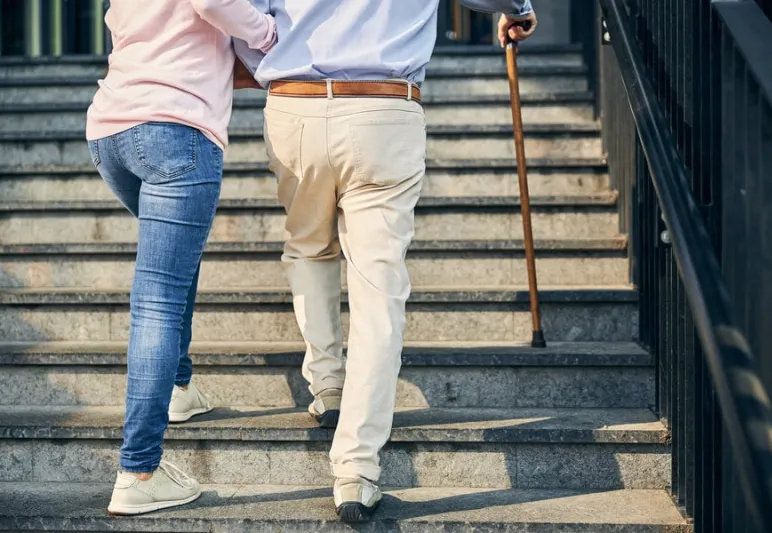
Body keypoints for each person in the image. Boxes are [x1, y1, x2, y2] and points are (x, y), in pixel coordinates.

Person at [234, 0, 536, 522]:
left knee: (308, 246)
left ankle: (327, 381)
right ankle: (355, 470)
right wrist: (516, 8)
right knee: (377, 290)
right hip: (384, 105)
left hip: (293, 104)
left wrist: (265, 57)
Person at [85, 0, 277, 516]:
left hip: (111, 132)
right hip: (176, 131)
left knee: (170, 271)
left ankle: (179, 387)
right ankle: (139, 471)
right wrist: (269, 33)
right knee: (159, 300)